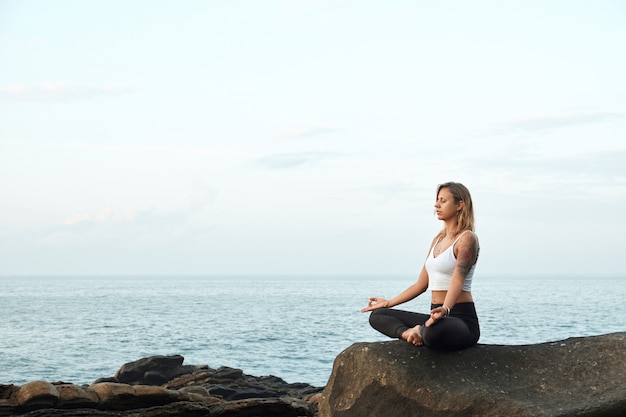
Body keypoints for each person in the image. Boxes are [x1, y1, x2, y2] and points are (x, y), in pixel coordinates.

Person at [361, 182, 480, 350]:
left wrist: (445, 309)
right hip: (436, 316)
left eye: (443, 200)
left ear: (460, 204)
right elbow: (421, 284)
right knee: (377, 316)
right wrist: (389, 303)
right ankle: (410, 333)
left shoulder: (467, 239)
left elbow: (457, 280)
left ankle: (422, 331)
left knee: (432, 333)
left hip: (461, 320)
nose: (436, 205)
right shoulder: (437, 240)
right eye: (437, 200)